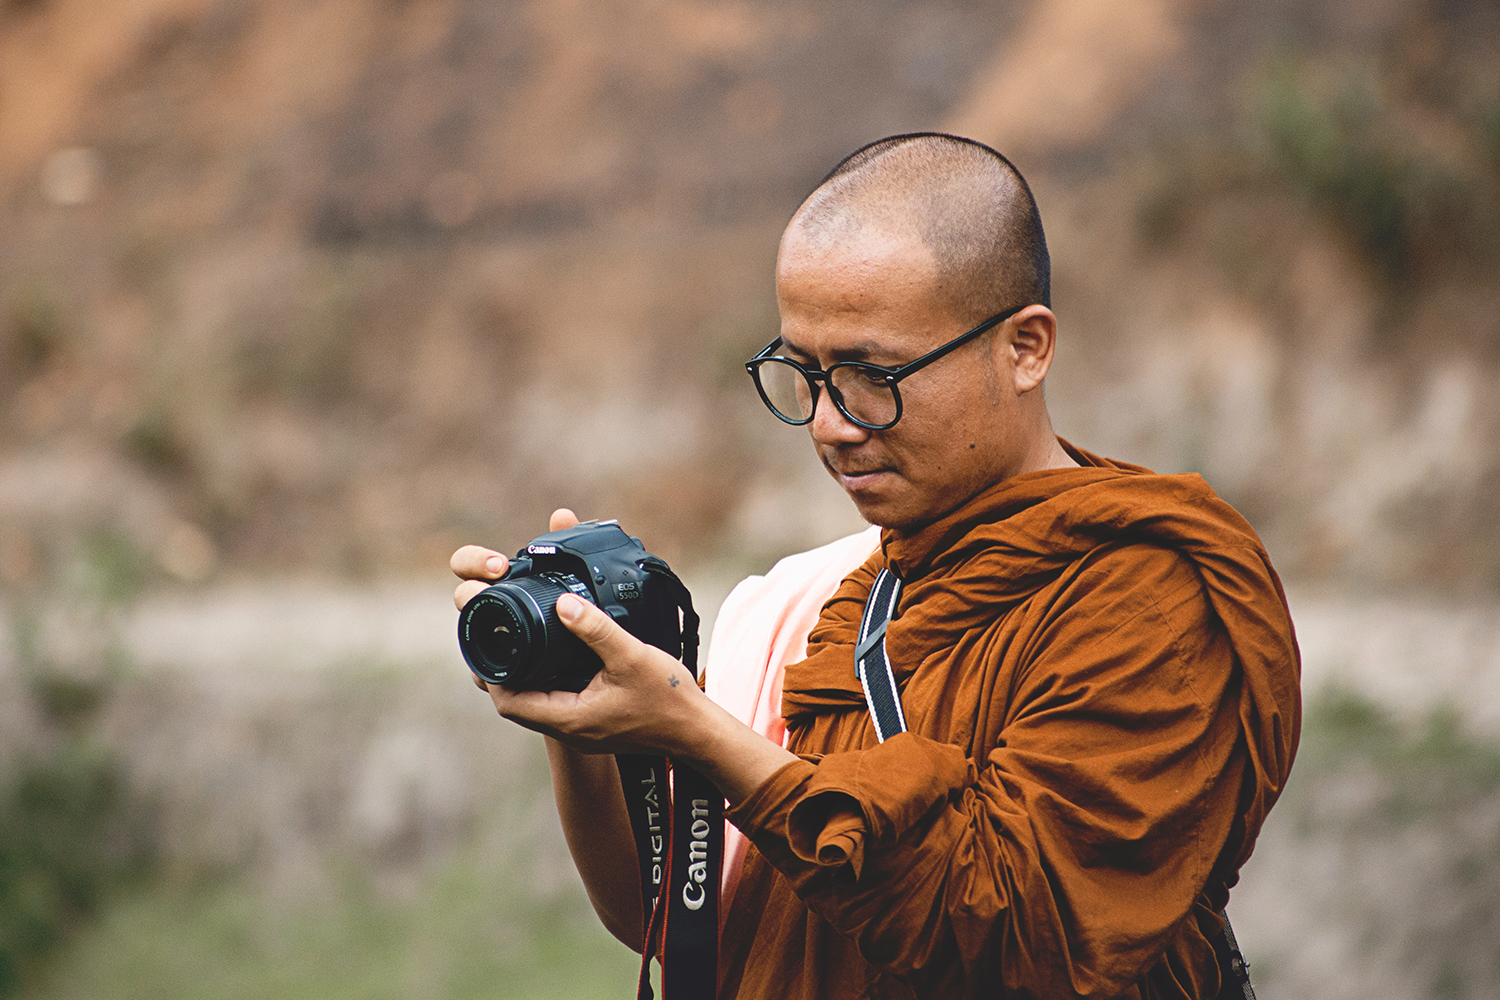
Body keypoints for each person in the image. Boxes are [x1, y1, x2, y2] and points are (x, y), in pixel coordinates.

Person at [451, 133, 1300, 999]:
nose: (829, 423)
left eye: (871, 375)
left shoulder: (1145, 594)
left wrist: (697, 732)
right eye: (804, 373)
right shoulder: (817, 600)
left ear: (1026, 348)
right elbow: (674, 923)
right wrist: (583, 720)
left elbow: (1019, 931)